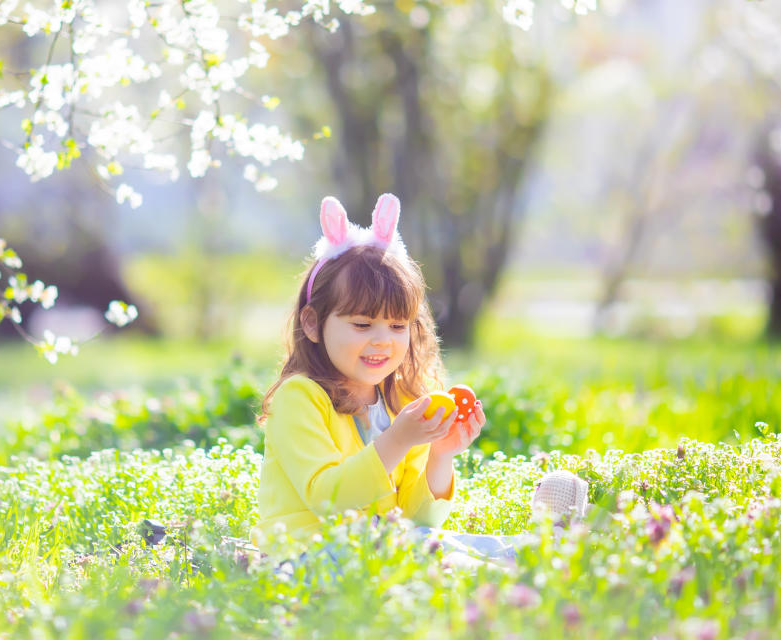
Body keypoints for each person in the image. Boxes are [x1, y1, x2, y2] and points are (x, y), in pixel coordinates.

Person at [248, 194, 587, 567]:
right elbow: (327, 498)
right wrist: (398, 440)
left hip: (376, 550)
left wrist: (441, 455)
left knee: (428, 544)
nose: (382, 340)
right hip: (304, 558)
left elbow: (418, 521)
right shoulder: (299, 398)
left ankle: (534, 551)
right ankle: (527, 564)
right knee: (420, 555)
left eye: (397, 326)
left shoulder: (397, 403)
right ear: (312, 323)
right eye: (362, 324)